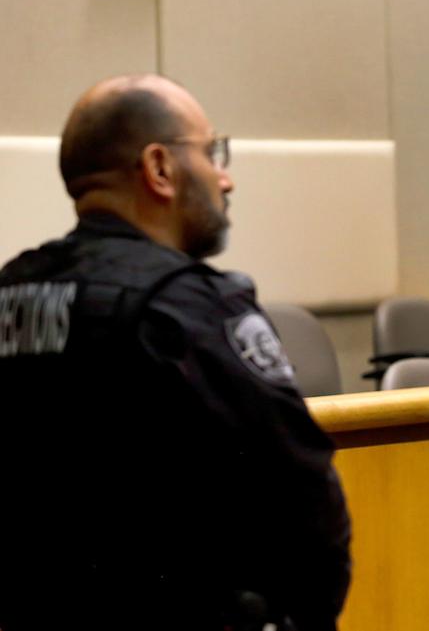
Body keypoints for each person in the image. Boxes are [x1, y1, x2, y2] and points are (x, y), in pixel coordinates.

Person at [0, 75, 351, 631]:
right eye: (212, 153)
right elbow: (302, 497)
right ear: (159, 168)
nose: (225, 178)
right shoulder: (186, 307)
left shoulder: (11, 293)